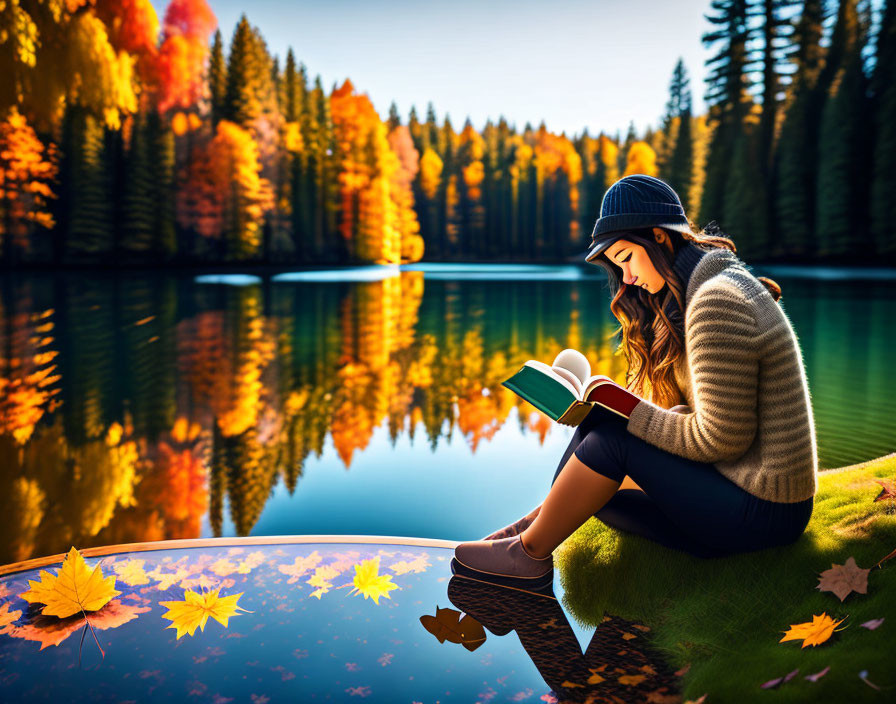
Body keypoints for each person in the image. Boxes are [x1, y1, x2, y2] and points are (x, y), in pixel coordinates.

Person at [451, 174, 818, 592]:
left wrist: (629, 411)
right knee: (599, 459)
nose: (625, 279)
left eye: (626, 258)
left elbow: (722, 440)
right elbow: (704, 415)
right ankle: (527, 531)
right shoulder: (693, 292)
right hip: (738, 487)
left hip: (766, 513)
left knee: (614, 440)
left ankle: (528, 556)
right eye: (617, 265)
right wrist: (620, 410)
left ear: (660, 238)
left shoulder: (717, 301)